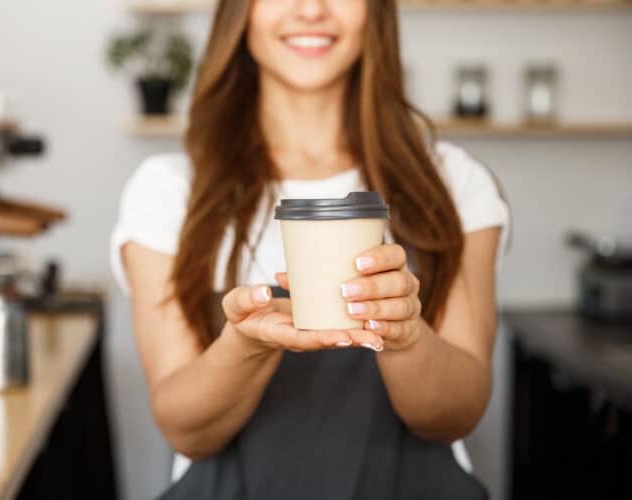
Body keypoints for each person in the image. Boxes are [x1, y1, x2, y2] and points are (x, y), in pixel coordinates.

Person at [111, 0, 509, 498]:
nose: (311, 10)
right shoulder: (169, 191)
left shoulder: (451, 183)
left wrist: (404, 335)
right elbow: (186, 429)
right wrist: (245, 346)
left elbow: (457, 414)